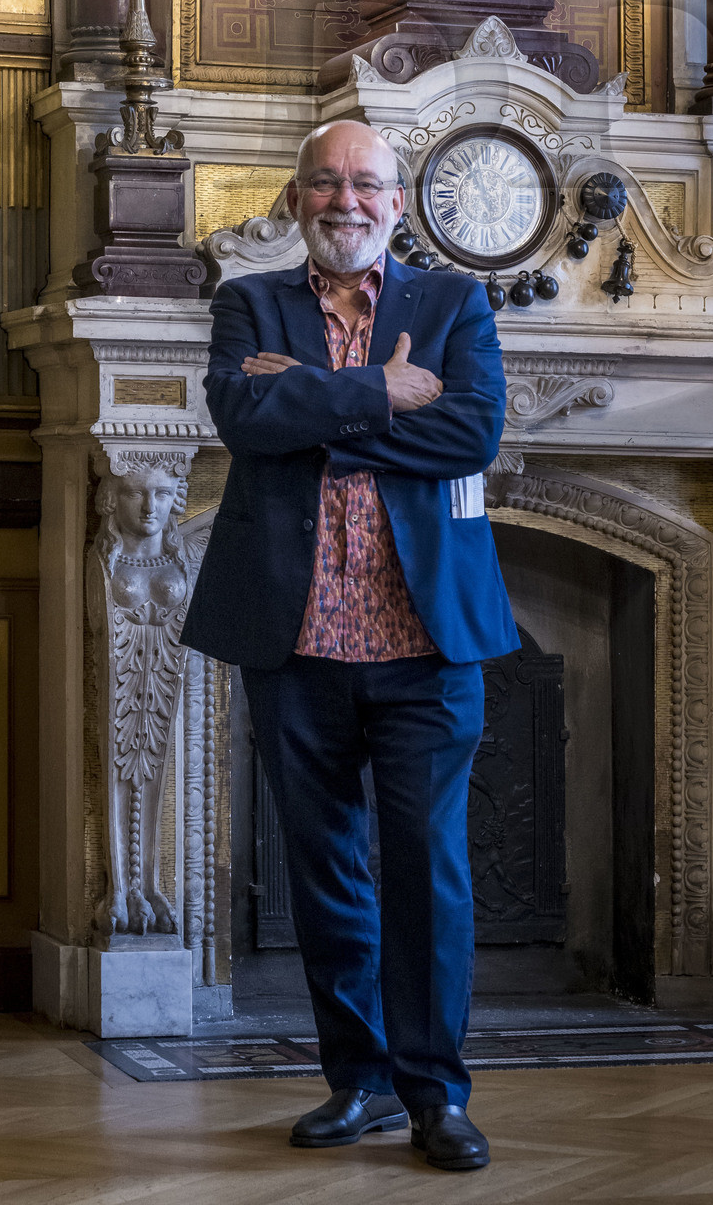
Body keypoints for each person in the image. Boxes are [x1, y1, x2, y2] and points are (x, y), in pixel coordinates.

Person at [181, 117, 515, 1171]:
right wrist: (379, 391)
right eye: (323, 184)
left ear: (399, 202)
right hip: (296, 639)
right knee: (325, 872)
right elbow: (242, 417)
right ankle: (358, 1083)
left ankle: (435, 1096)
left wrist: (308, 401)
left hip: (425, 639)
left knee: (428, 872)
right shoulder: (249, 303)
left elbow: (469, 432)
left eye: (366, 184)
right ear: (296, 200)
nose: (345, 202)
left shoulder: (454, 303)